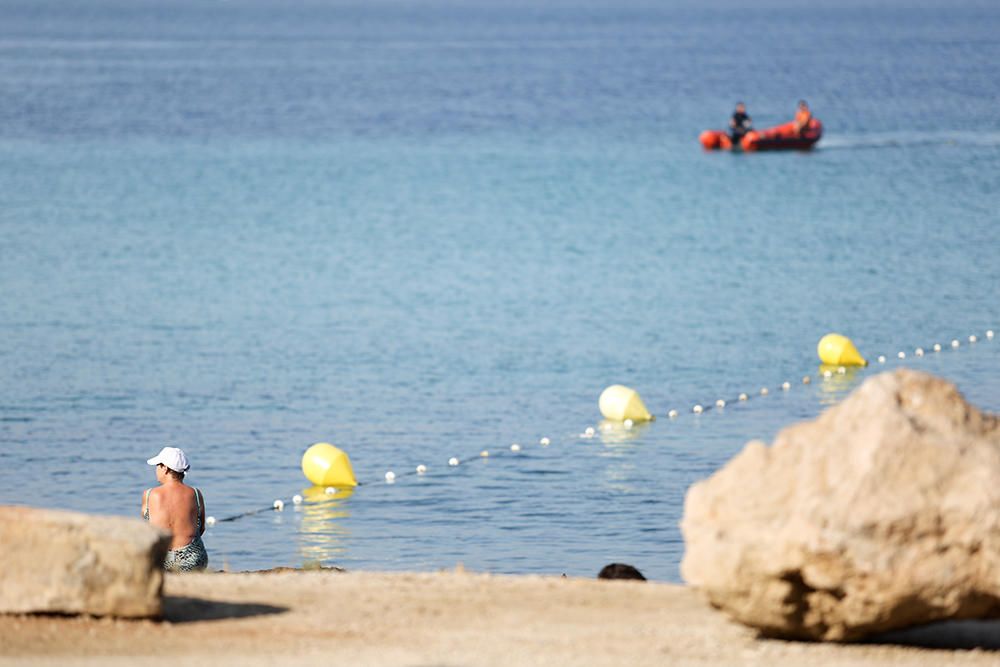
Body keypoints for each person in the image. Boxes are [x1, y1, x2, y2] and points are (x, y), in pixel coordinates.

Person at [142, 446, 208, 572]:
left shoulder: (149, 495)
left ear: (165, 468)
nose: (156, 469)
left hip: (162, 559)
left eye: (157, 465)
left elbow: (146, 530)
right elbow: (201, 528)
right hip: (193, 558)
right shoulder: (196, 493)